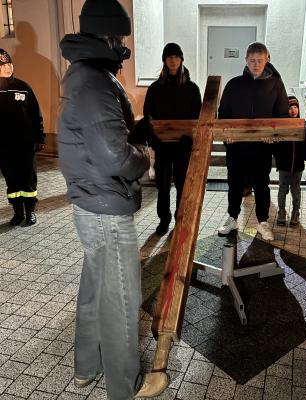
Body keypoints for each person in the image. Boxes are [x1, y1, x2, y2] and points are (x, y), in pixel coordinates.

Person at [58, 0, 157, 398]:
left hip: (90, 200)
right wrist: (144, 157)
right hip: (104, 205)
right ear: (107, 36)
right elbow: (115, 156)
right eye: (119, 38)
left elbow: (102, 135)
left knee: (94, 291)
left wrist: (135, 131)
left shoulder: (83, 74)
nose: (123, 46)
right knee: (120, 300)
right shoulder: (96, 81)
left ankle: (87, 367)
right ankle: (125, 385)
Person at [217, 42, 288, 241]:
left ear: (267, 60)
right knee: (234, 184)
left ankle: (263, 222)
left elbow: (282, 115)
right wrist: (227, 135)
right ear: (246, 60)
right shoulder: (234, 85)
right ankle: (232, 218)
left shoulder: (276, 85)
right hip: (236, 146)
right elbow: (223, 114)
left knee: (262, 184)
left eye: (260, 60)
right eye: (252, 61)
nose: (256, 64)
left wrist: (272, 135)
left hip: (262, 147)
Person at [143, 42, 202, 236]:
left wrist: (190, 139)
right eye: (169, 57)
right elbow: (148, 116)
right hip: (162, 146)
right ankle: (164, 219)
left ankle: (179, 219)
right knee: (162, 186)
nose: (173, 61)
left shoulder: (191, 88)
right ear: (164, 60)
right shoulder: (155, 88)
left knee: (182, 186)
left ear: (181, 60)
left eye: (176, 57)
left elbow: (197, 117)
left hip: (183, 146)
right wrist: (153, 140)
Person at [0, 48, 45, 226]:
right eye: (2, 65)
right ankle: (17, 213)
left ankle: (30, 212)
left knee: (28, 178)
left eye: (9, 64)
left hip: (25, 144)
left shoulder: (23, 87)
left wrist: (40, 137)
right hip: (4, 146)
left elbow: (35, 114)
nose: (7, 68)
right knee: (12, 180)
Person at [275, 96, 305, 227]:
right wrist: (278, 159)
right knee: (282, 189)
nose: (293, 110)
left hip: (298, 166)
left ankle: (295, 212)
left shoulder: (303, 125)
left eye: (295, 107)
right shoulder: (282, 126)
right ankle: (281, 211)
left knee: (296, 190)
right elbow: (276, 145)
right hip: (284, 165)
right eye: (290, 108)